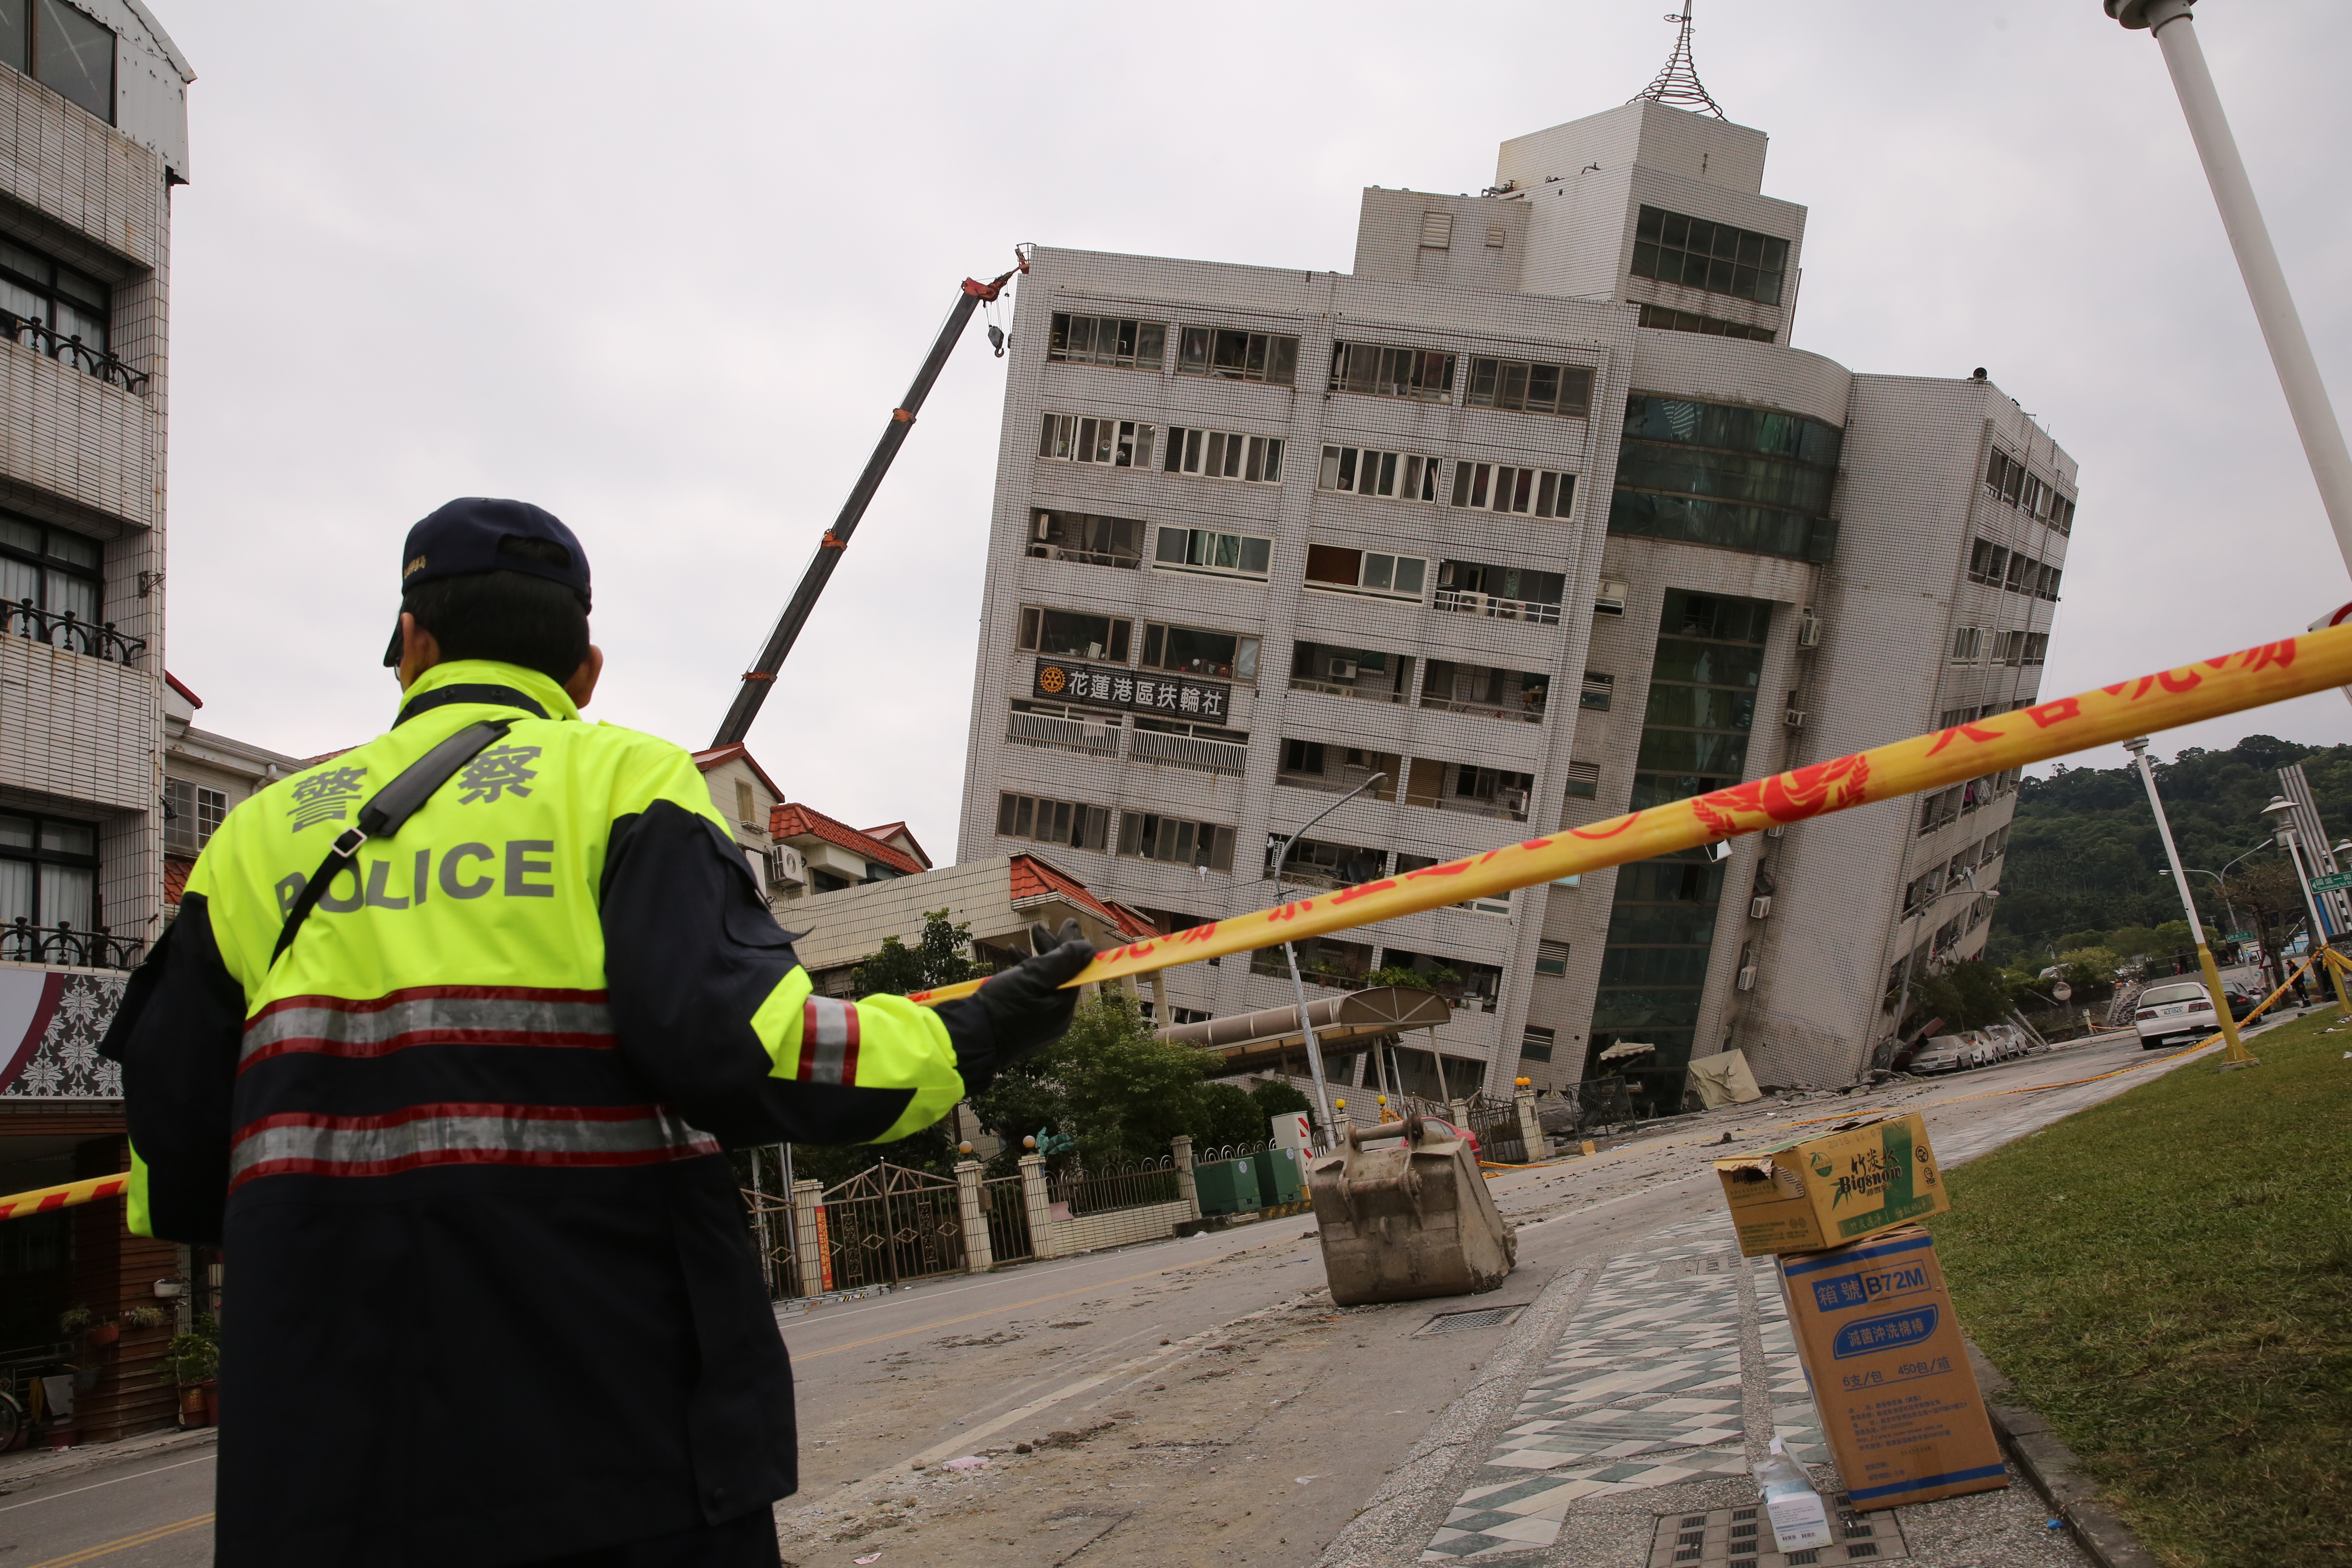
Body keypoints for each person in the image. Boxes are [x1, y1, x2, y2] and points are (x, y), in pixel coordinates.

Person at [100, 499, 1094, 1568]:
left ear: (414, 644)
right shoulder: (626, 783)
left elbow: (175, 1164)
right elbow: (744, 1047)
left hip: (324, 1468)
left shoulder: (254, 838)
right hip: (616, 1436)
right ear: (586, 673)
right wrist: (970, 1031)